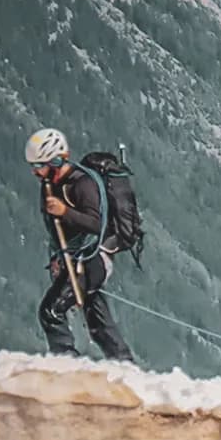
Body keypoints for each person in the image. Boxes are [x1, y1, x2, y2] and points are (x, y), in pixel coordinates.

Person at [28, 128, 134, 362]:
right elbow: (60, 231)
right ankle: (124, 365)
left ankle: (66, 364)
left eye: (39, 165)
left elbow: (97, 225)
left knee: (51, 311)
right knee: (97, 320)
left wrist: (65, 211)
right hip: (74, 259)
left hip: (93, 258)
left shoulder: (81, 184)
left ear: (55, 160)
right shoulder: (51, 184)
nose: (35, 171)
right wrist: (58, 256)